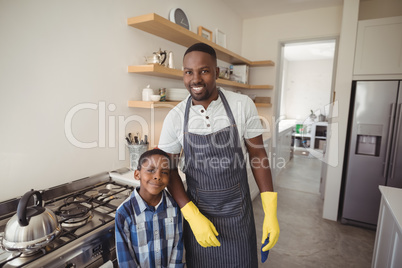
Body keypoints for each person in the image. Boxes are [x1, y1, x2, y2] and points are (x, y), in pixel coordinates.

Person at [158, 42, 280, 267]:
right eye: (188, 72)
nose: (195, 79)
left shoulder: (242, 106)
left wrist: (270, 211)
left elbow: (257, 154)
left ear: (216, 72)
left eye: (203, 71)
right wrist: (191, 215)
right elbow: (168, 168)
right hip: (200, 214)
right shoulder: (175, 117)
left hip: (238, 215)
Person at [115, 148, 185, 268]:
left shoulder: (174, 207)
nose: (157, 176)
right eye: (151, 170)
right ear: (137, 174)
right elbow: (126, 260)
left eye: (164, 172)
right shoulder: (124, 213)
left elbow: (178, 247)